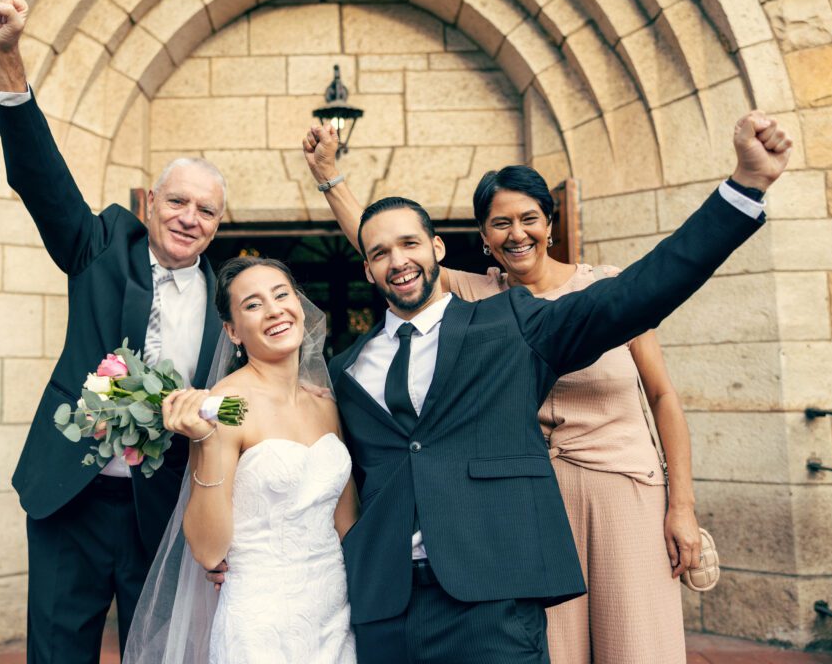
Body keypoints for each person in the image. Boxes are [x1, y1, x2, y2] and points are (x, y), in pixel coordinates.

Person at [296, 112, 790, 663]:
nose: (398, 259)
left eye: (412, 244)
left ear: (439, 249)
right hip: (395, 603)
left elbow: (642, 291)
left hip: (538, 550)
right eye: (380, 254)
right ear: (367, 270)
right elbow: (305, 445)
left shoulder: (507, 321)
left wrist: (744, 188)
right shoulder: (346, 368)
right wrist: (211, 412)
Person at [0, 0, 226, 662]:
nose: (188, 217)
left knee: (155, 652)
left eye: (205, 211)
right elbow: (43, 179)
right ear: (150, 203)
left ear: (218, 225)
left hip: (160, 511)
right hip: (72, 496)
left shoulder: (229, 299)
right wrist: (7, 58)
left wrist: (209, 413)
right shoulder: (99, 249)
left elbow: (233, 401)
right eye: (177, 201)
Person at [123, 256, 358, 664]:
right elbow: (209, 550)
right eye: (253, 304)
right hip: (261, 617)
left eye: (282, 295)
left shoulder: (325, 402)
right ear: (232, 331)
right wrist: (209, 443)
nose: (274, 310)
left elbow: (347, 523)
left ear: (300, 306)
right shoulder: (224, 407)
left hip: (335, 609)